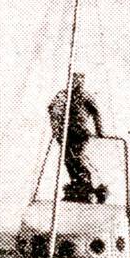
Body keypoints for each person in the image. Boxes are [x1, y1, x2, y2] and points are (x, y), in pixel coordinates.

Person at [48, 72, 104, 203]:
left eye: (80, 80)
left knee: (77, 158)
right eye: (75, 80)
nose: (78, 83)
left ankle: (88, 185)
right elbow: (52, 109)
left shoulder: (85, 96)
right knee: (68, 160)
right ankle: (77, 186)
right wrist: (56, 129)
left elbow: (96, 112)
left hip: (80, 133)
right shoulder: (63, 95)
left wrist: (99, 131)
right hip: (66, 134)